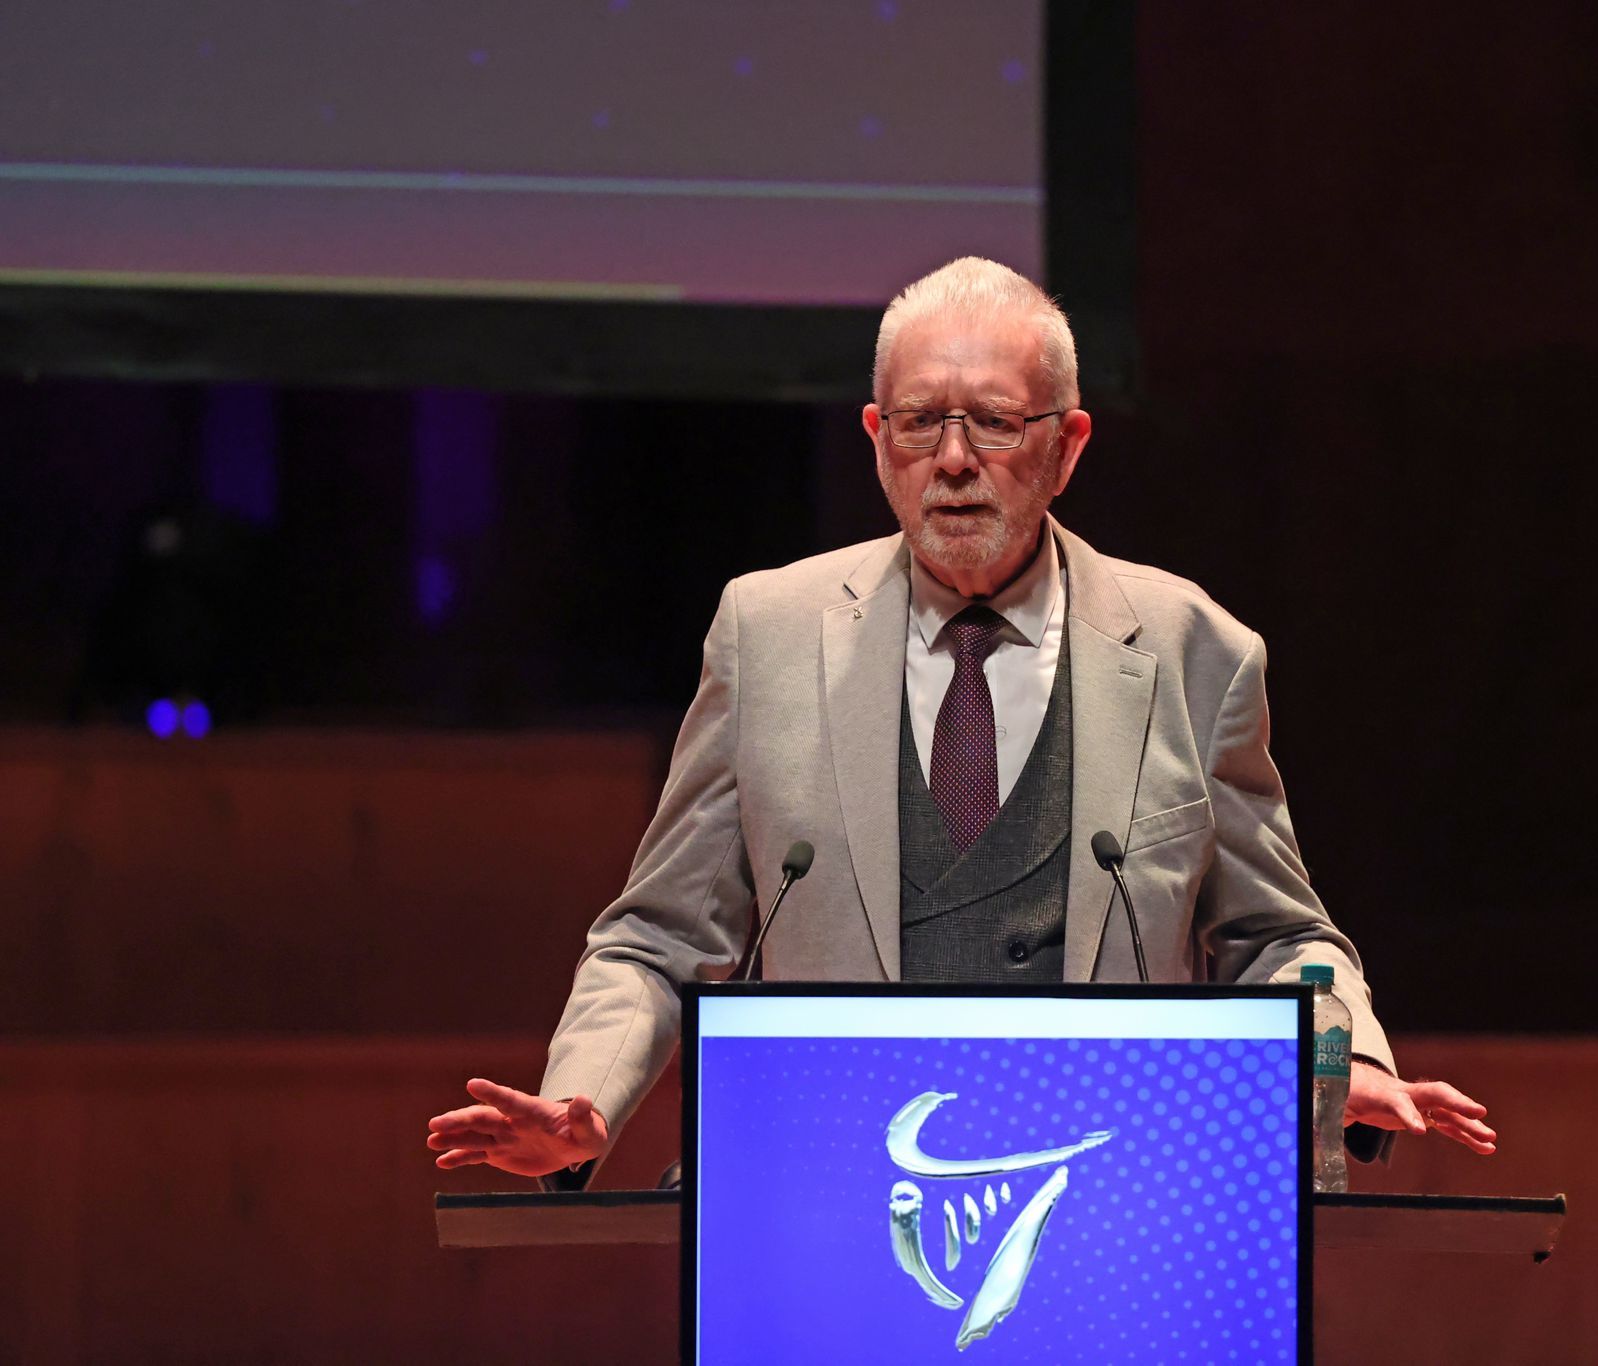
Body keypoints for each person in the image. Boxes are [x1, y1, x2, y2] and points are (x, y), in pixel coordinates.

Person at [426, 258, 1495, 1182]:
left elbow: (1276, 936)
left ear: (1067, 444)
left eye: (989, 421)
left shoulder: (1188, 647)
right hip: (833, 1196)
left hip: (1100, 1192)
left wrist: (1345, 1055)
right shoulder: (768, 631)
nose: (949, 459)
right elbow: (660, 932)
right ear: (872, 437)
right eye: (916, 422)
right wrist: (585, 1100)